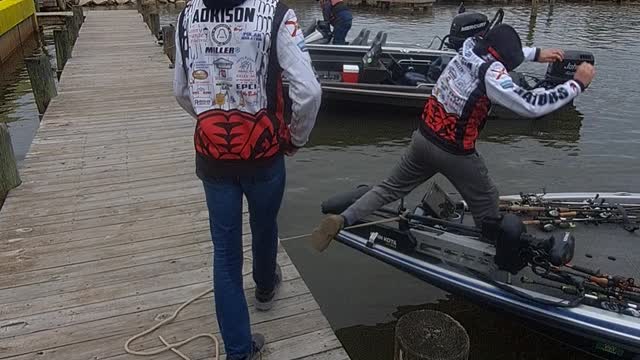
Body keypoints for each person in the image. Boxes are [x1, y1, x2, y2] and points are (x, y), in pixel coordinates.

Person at [311, 24, 595, 252]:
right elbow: (532, 105)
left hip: (422, 138)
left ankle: (343, 219)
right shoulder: (492, 75)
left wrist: (536, 53)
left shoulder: (469, 46)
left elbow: (500, 47)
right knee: (488, 201)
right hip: (455, 152)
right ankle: (495, 255)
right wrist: (576, 83)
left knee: (389, 188)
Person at [173, 0, 322, 358]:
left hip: (213, 157)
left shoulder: (186, 16)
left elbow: (180, 90)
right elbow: (309, 92)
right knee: (264, 223)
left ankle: (239, 351)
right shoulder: (277, 14)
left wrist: (208, 115)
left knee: (225, 255)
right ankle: (266, 288)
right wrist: (295, 138)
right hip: (263, 154)